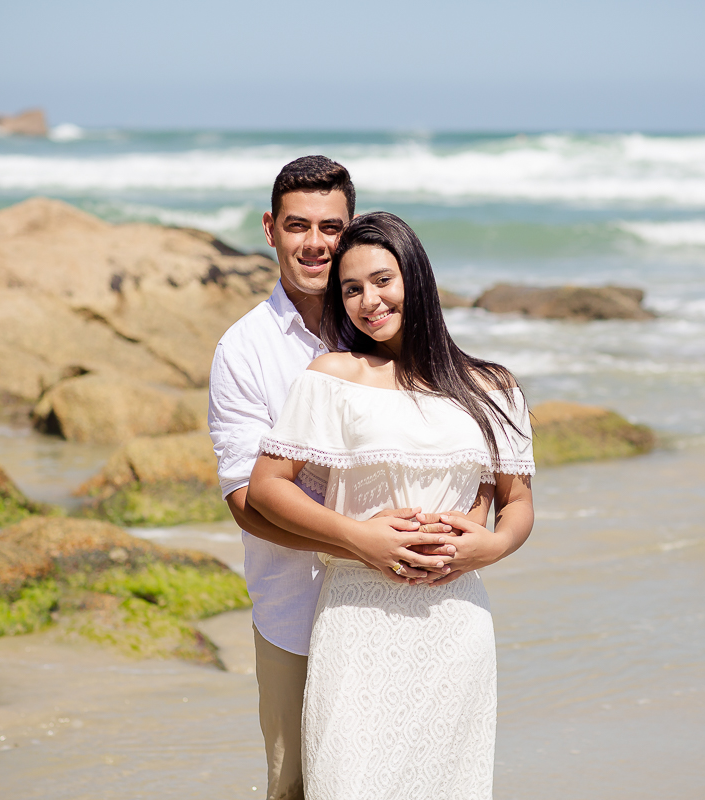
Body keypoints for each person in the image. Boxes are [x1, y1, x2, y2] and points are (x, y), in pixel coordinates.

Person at [247, 212, 536, 800]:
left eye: (382, 280)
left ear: (416, 276)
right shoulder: (333, 376)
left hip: (454, 625)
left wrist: (495, 545)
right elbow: (266, 488)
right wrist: (359, 538)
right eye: (350, 289)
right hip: (356, 620)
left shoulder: (493, 386)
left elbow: (519, 503)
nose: (367, 301)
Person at [208, 158, 459, 800]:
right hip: (296, 611)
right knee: (295, 786)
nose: (314, 243)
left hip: (399, 606)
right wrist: (361, 542)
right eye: (298, 226)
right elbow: (246, 502)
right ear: (270, 229)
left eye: (330, 227)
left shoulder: (386, 327)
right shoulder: (246, 350)